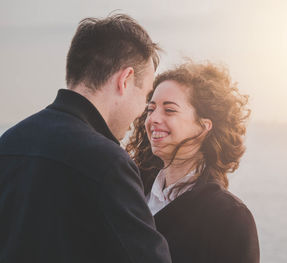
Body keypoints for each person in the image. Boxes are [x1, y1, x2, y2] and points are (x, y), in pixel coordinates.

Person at [0, 14, 171, 263]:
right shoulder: (109, 163)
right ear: (125, 80)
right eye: (145, 97)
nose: (141, 113)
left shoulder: (8, 144)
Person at [126, 61, 260, 263]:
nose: (153, 119)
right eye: (150, 109)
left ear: (203, 126)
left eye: (169, 110)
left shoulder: (230, 217)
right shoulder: (129, 188)